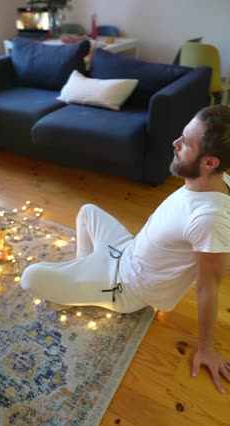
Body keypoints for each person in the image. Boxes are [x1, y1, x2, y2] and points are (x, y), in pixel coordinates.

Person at [21, 105, 230, 393]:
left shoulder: (208, 220)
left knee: (30, 278)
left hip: (125, 287)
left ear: (209, 162)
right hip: (126, 250)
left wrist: (207, 347)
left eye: (185, 143)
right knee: (87, 211)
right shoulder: (221, 181)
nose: (175, 143)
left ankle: (86, 287)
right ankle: (84, 277)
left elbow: (209, 288)